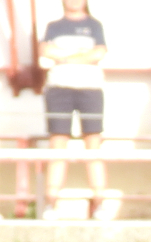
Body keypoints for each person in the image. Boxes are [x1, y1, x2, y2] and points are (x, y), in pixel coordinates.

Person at [38, 0, 108, 219]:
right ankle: (51, 204)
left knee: (93, 145)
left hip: (90, 88)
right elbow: (45, 50)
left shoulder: (95, 25)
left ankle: (100, 204)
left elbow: (98, 53)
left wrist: (65, 56)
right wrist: (79, 55)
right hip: (59, 88)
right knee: (58, 145)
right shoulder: (54, 26)